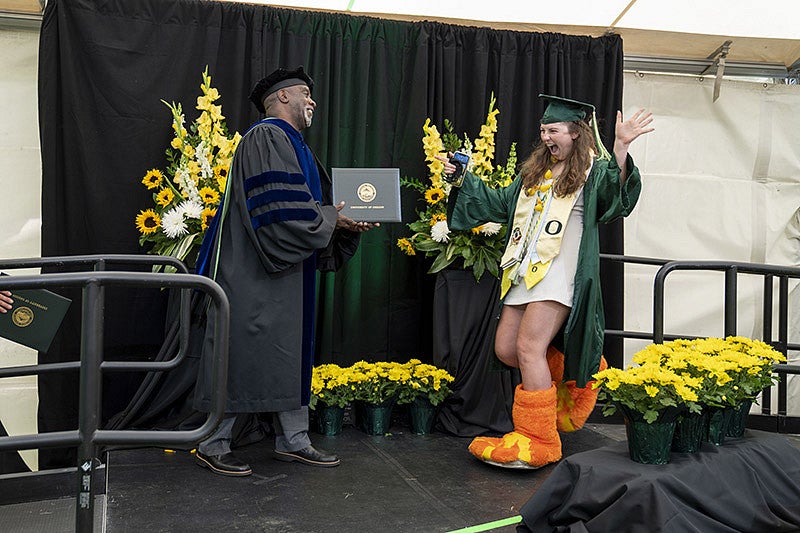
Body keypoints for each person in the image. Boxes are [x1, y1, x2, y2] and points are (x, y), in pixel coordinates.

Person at [438, 94, 654, 469]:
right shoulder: (534, 175)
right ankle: (580, 373)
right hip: (523, 272)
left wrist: (620, 147)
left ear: (575, 132)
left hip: (560, 274)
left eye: (553, 130)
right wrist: (463, 179)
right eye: (543, 130)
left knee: (528, 349)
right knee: (506, 349)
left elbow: (615, 197)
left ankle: (539, 439)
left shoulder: (591, 171)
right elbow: (497, 203)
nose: (545, 136)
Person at [192, 66, 378, 476]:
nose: (312, 101)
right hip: (255, 271)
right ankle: (212, 441)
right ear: (281, 98)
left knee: (288, 352)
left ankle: (294, 440)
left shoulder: (294, 144)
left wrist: (343, 220)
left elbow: (302, 206)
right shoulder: (267, 136)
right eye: (304, 94)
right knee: (242, 352)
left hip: (284, 271)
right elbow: (279, 210)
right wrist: (331, 219)